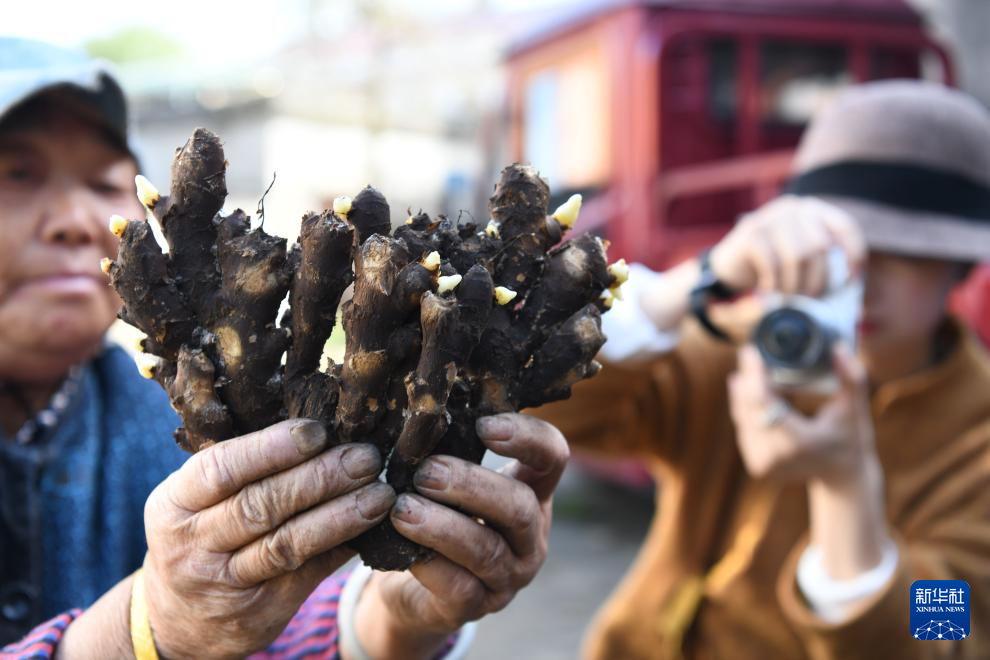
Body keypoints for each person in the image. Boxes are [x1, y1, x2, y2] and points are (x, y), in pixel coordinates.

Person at [0, 37, 569, 659]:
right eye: (17, 174)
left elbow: (255, 628)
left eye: (104, 180)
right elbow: (193, 624)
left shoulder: (160, 415)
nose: (78, 219)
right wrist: (148, 630)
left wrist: (391, 622)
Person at [539, 79, 990, 659]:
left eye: (905, 250)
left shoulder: (976, 438)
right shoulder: (742, 345)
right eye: (837, 247)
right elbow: (553, 402)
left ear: (960, 264)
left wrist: (845, 484)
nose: (863, 275)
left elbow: (947, 637)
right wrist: (700, 278)